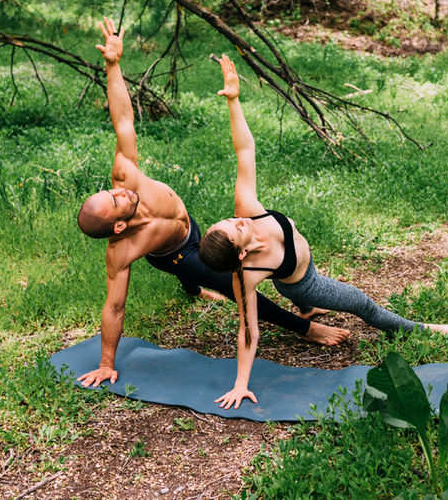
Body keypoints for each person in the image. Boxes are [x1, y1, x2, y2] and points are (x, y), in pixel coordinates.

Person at [75, 19, 349, 388]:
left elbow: (122, 119)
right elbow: (115, 306)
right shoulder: (122, 250)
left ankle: (205, 288)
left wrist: (113, 65)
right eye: (116, 203)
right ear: (119, 227)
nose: (119, 192)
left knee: (221, 260)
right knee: (232, 285)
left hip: (190, 225)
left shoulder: (126, 176)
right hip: (173, 253)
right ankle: (306, 327)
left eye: (111, 192)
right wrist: (107, 363)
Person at [198, 54, 448, 409]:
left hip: (300, 264)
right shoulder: (248, 276)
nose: (237, 219)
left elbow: (244, 150)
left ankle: (306, 309)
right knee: (362, 304)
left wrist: (234, 101)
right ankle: (420, 328)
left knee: (304, 300)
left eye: (229, 220)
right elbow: (247, 332)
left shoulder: (247, 210)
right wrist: (241, 384)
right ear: (241, 254)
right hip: (303, 281)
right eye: (234, 229)